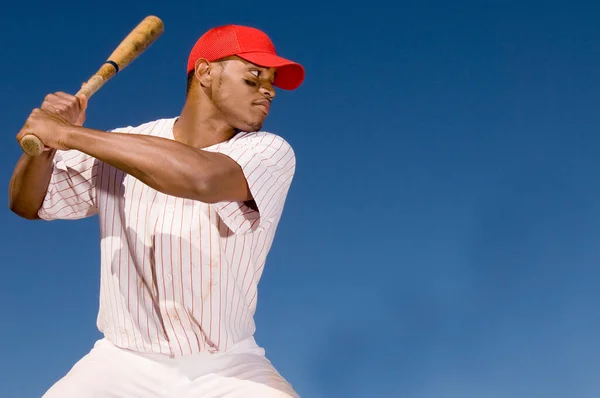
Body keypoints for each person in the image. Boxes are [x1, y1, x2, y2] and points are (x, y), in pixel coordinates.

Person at [9, 24, 304, 398]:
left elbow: (201, 178)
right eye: (254, 76)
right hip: (121, 362)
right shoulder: (124, 145)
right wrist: (45, 147)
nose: (269, 90)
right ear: (205, 72)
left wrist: (66, 134)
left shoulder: (268, 151)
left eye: (272, 82)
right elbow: (26, 204)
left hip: (227, 365)